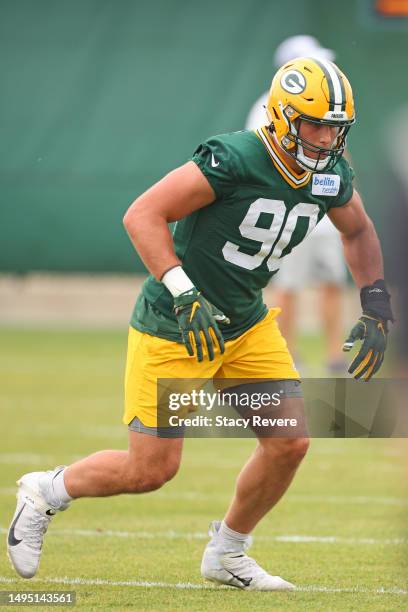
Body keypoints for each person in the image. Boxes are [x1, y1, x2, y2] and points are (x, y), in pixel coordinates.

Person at [7, 57, 393, 591]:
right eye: (316, 125)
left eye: (336, 127)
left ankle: (228, 552)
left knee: (289, 440)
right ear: (282, 118)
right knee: (151, 471)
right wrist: (183, 289)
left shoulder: (329, 173)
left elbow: (359, 231)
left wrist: (376, 302)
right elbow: (142, 214)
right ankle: (45, 492)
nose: (327, 139)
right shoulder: (235, 158)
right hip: (177, 323)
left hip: (245, 322)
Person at [246, 36, 348, 373]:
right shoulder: (266, 109)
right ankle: (288, 354)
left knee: (332, 281)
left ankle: (335, 355)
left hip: (324, 215)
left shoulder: (330, 106)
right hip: (288, 215)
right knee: (288, 286)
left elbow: (337, 157)